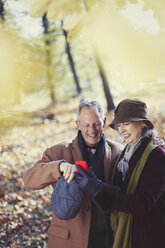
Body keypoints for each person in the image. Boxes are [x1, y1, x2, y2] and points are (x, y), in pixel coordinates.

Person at [23, 100, 122, 248]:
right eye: (86, 125)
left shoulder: (118, 152)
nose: (92, 130)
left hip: (107, 238)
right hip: (70, 240)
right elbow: (29, 180)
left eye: (96, 124)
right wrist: (59, 166)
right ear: (78, 124)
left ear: (104, 121)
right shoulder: (59, 151)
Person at [75, 99, 165, 248]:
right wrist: (96, 189)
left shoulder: (157, 156)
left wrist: (99, 189)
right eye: (119, 125)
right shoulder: (125, 153)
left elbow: (143, 203)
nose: (122, 129)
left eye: (127, 123)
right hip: (125, 234)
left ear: (142, 123)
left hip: (148, 238)